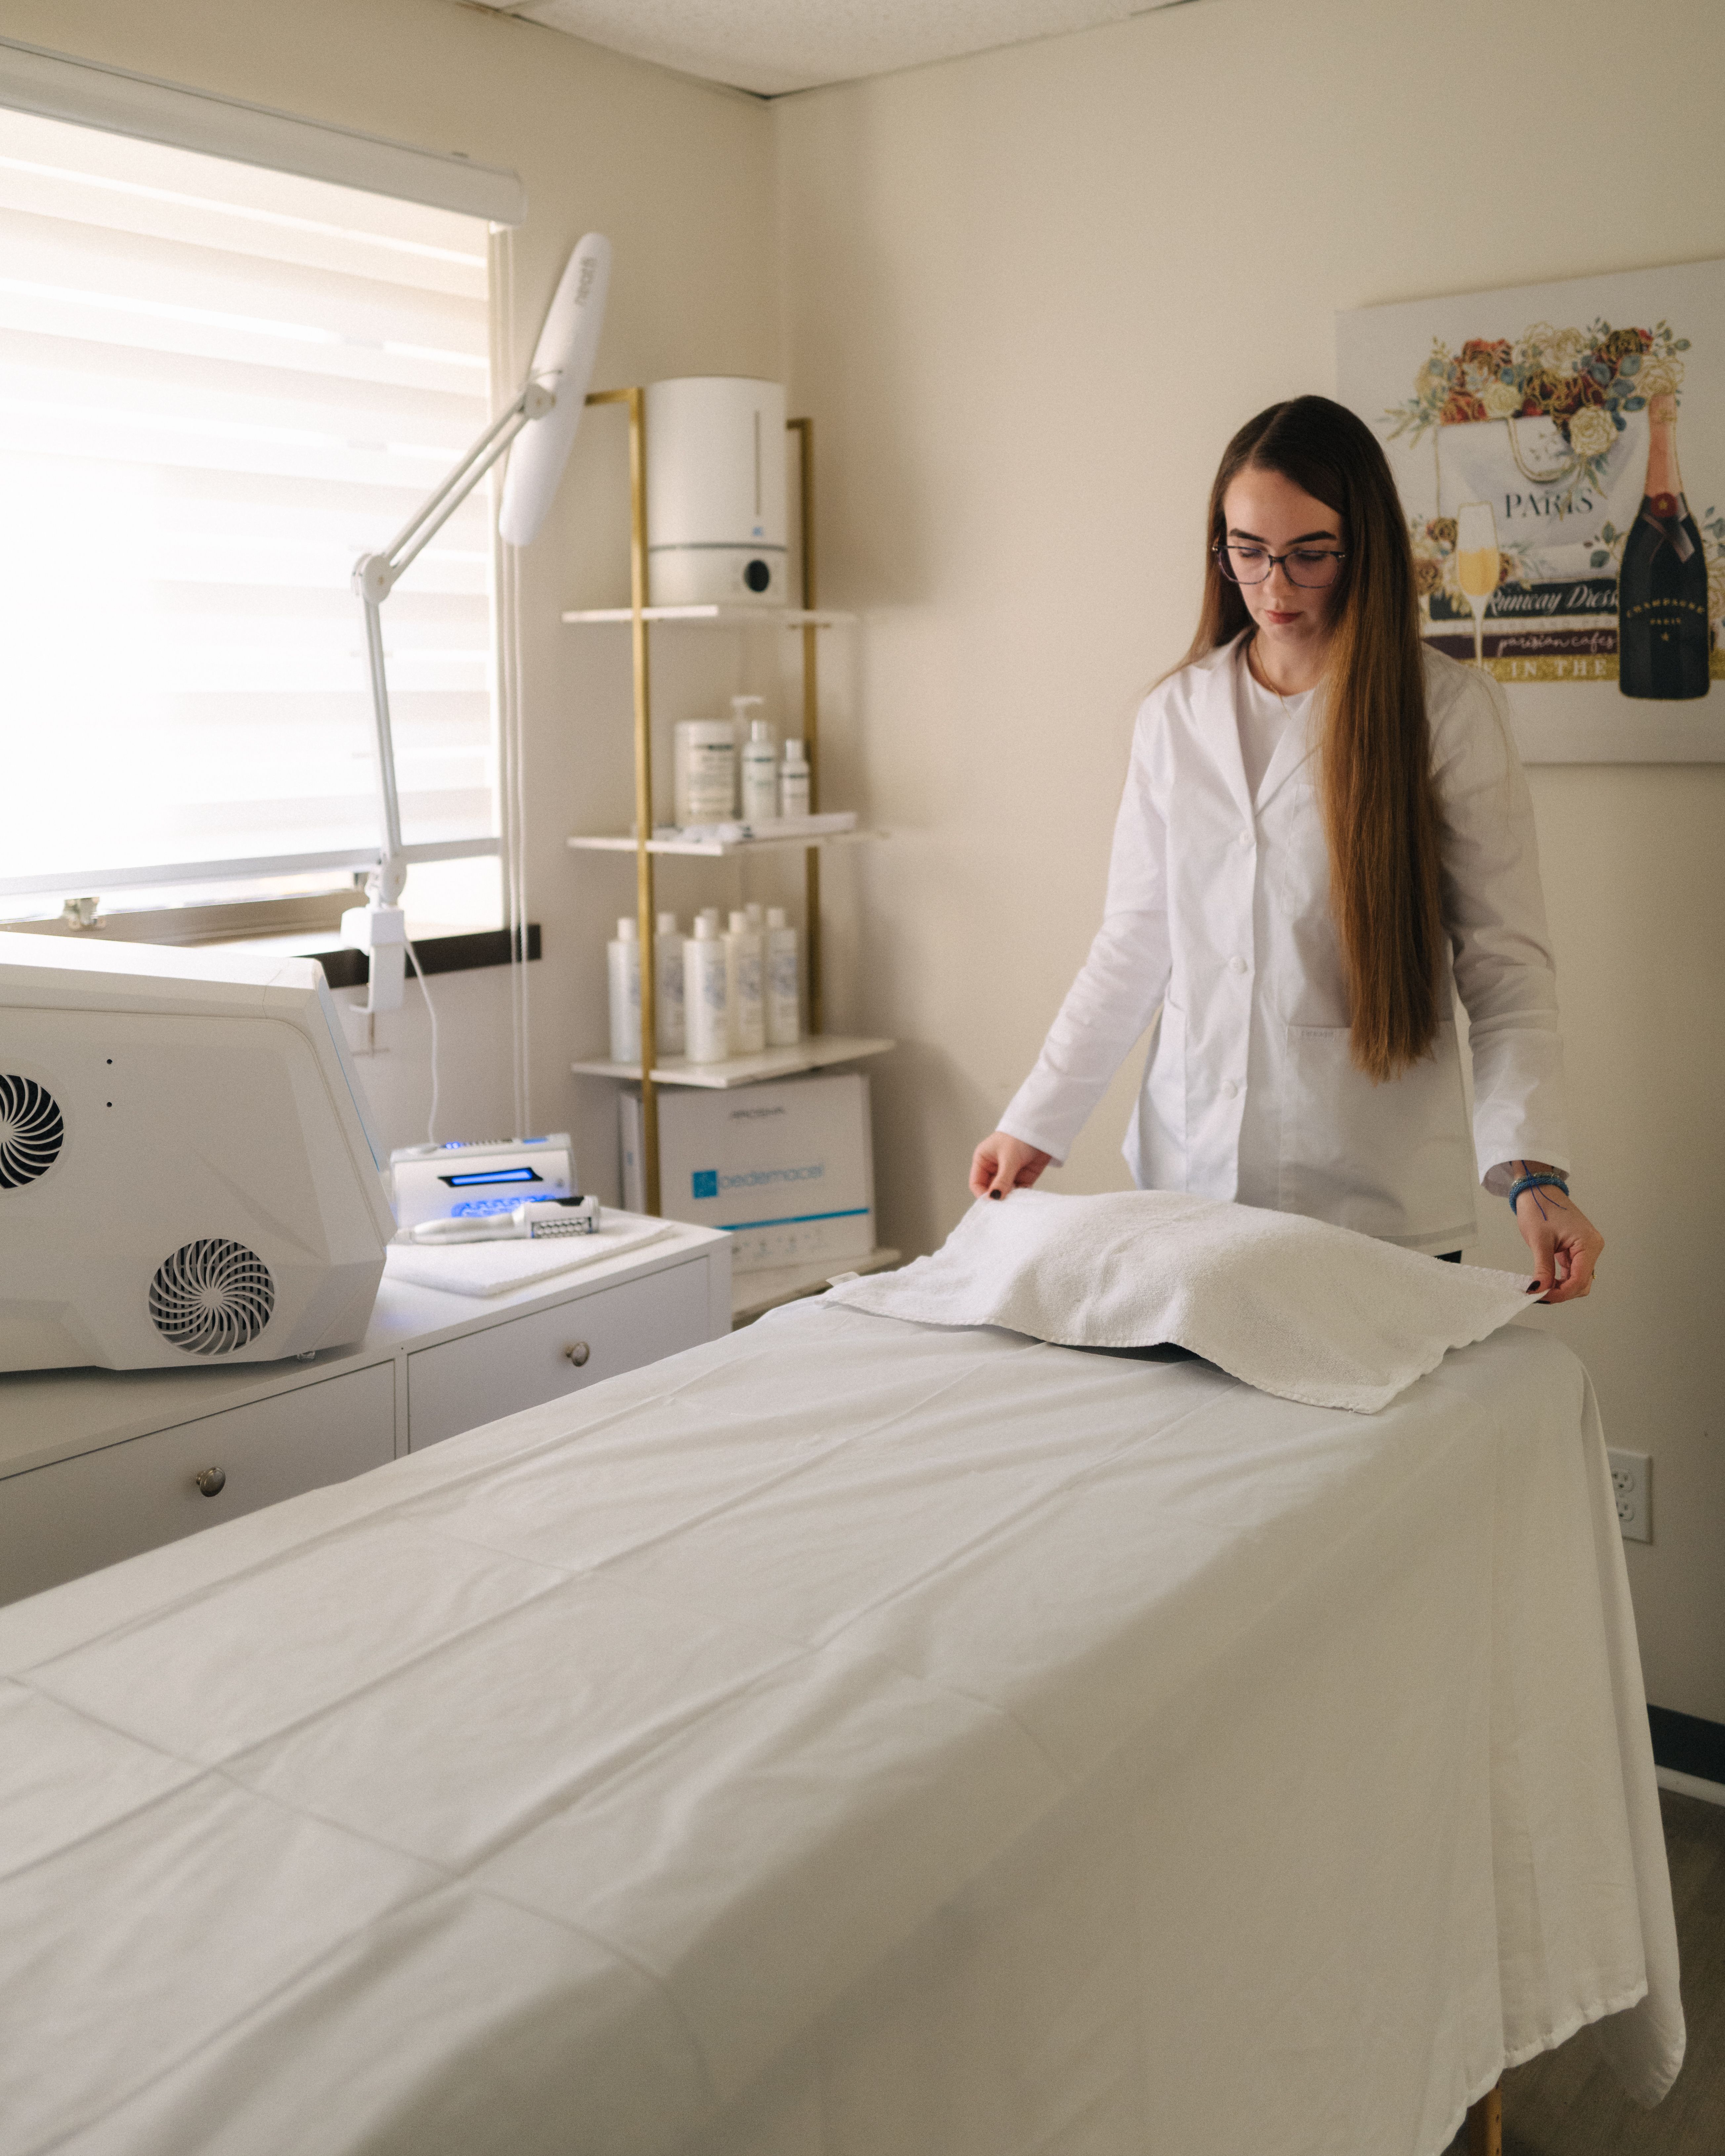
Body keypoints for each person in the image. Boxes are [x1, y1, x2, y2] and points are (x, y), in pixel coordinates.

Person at [970, 396, 1602, 1301]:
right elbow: (1135, 941)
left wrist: (1532, 1174)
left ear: (1364, 547)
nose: (1274, 588)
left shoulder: (1446, 712)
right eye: (1248, 553)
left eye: (1310, 554)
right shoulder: (1176, 715)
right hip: (1189, 1182)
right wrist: (1036, 1120)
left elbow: (1506, 967)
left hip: (1375, 1197)